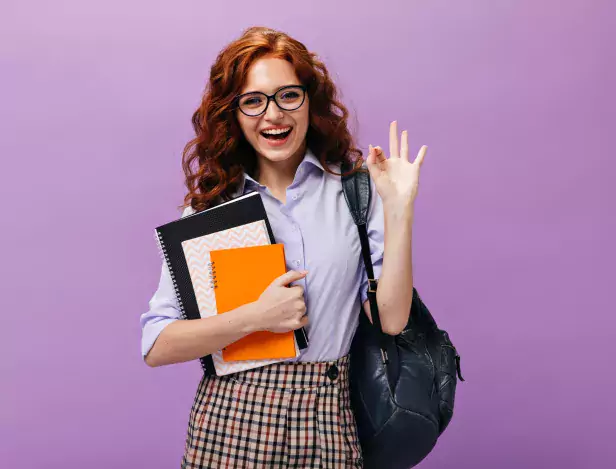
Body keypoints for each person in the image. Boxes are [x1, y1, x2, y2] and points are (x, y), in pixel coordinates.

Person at [140, 26, 426, 469]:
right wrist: (256, 317)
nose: (273, 114)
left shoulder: (355, 195)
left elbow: (391, 319)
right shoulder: (210, 212)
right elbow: (157, 344)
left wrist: (400, 209)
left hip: (329, 418)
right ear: (232, 114)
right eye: (253, 101)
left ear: (310, 101)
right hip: (232, 422)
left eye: (288, 95)